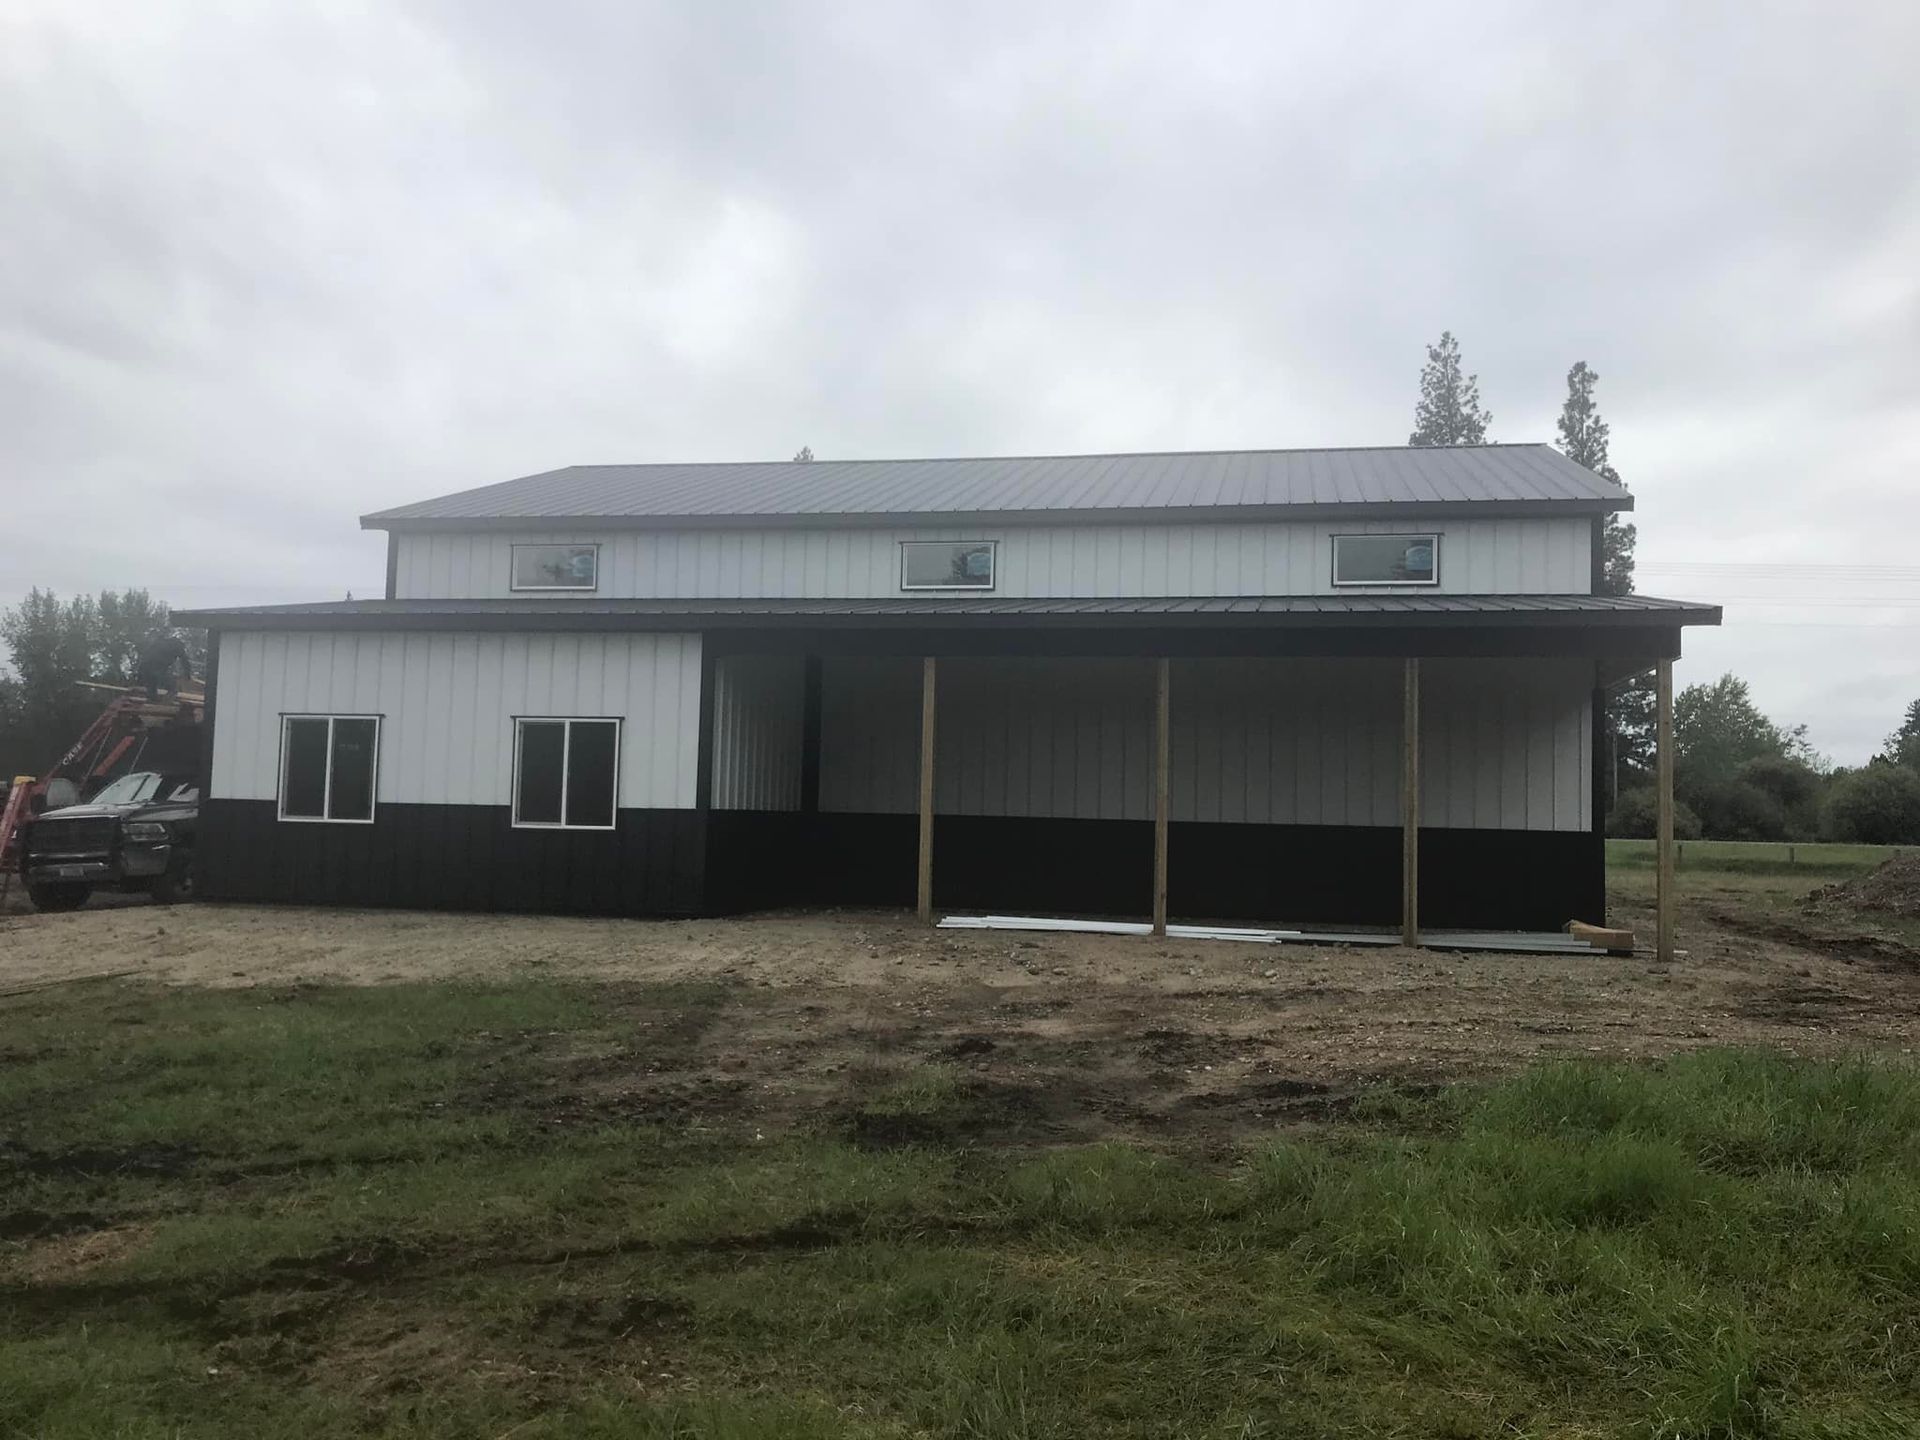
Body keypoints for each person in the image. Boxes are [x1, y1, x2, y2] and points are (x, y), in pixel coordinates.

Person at [136, 632, 191, 700]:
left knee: (152, 688)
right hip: (156, 666)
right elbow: (184, 661)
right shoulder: (177, 646)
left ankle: (153, 701)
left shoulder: (161, 642)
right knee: (172, 687)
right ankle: (167, 702)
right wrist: (187, 674)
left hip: (145, 666)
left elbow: (146, 654)